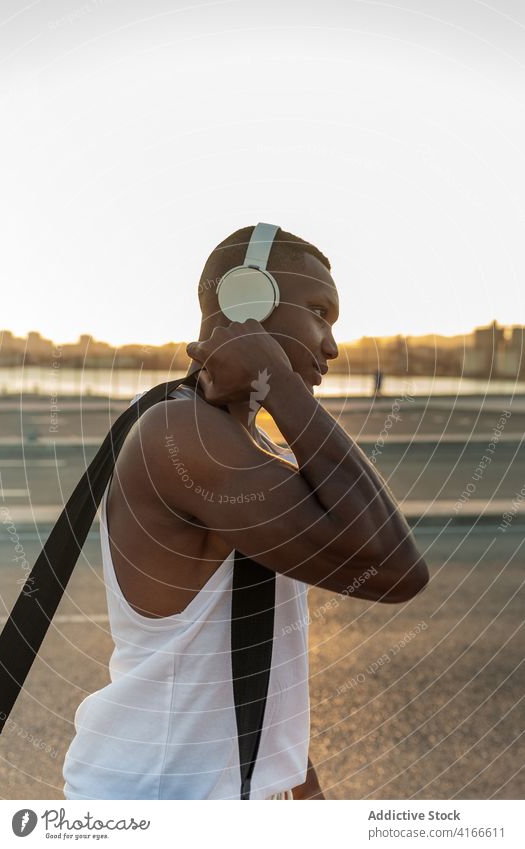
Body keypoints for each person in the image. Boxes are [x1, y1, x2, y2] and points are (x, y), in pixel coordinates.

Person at [62, 225, 429, 800]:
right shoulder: (178, 434)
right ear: (245, 298)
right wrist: (280, 381)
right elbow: (393, 567)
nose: (333, 346)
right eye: (320, 311)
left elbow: (246, 646)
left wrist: (296, 784)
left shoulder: (248, 447)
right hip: (158, 797)